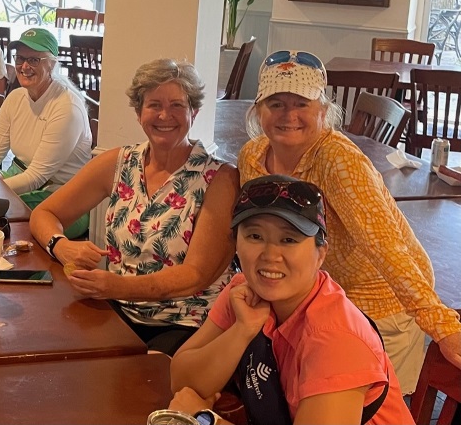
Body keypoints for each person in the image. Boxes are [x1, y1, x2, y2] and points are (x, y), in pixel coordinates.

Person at [239, 50, 461, 393]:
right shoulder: (253, 157)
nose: (289, 115)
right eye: (276, 104)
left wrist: (442, 326)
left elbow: (384, 246)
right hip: (322, 299)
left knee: (376, 407)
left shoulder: (338, 160)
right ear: (258, 110)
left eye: (301, 104)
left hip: (382, 303)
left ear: (323, 112)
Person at [29, 59, 238, 354]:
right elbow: (45, 213)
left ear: (194, 111)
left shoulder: (220, 178)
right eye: (154, 105)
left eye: (177, 105)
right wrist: (61, 246)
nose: (165, 115)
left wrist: (115, 287)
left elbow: (195, 276)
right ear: (139, 112)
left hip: (189, 325)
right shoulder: (119, 163)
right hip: (121, 313)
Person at [168, 175, 414, 425]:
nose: (270, 255)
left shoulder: (336, 339)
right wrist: (242, 330)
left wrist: (202, 419)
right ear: (236, 244)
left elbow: (188, 404)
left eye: (288, 240)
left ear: (321, 253)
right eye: (255, 236)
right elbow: (182, 382)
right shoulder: (244, 292)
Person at [0, 28, 93, 238]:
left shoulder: (66, 107)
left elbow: (36, 177)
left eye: (34, 60)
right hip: (21, 179)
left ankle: (18, 271)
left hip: (63, 197)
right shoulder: (16, 97)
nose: (24, 66)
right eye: (20, 58)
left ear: (53, 64)